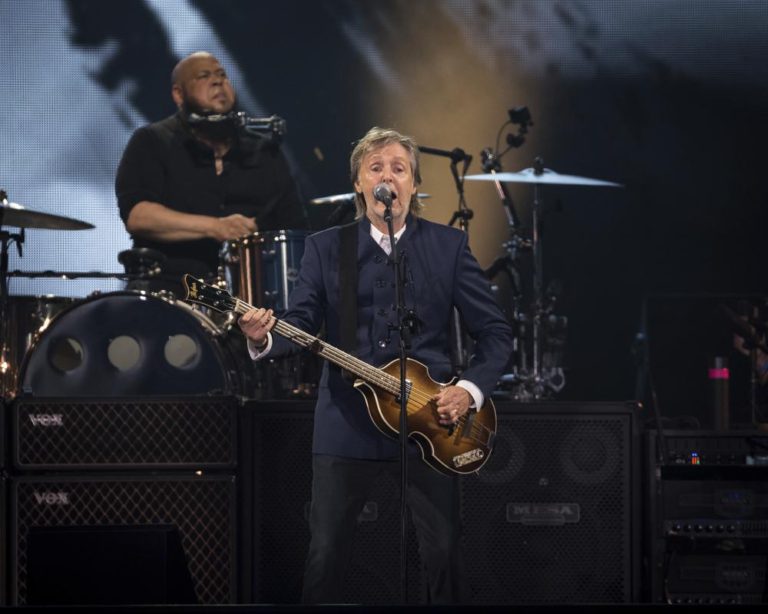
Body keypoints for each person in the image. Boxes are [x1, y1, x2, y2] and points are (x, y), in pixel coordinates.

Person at [238, 126, 513, 604]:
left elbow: (495, 333)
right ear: (360, 184)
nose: (388, 176)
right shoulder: (327, 248)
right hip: (347, 420)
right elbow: (301, 321)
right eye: (376, 167)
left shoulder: (447, 246)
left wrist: (467, 391)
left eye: (399, 168)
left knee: (445, 551)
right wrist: (263, 338)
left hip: (433, 422)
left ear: (413, 184)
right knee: (325, 554)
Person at [115, 51, 307, 294]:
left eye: (222, 75)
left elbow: (296, 230)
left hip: (251, 298)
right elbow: (138, 216)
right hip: (171, 291)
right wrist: (215, 227)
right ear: (178, 94)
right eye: (204, 77)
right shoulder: (152, 141)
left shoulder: (265, 152)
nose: (218, 81)